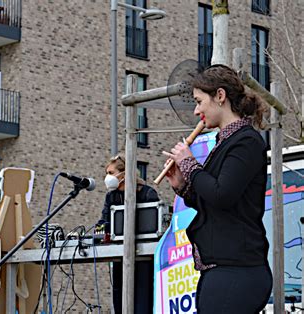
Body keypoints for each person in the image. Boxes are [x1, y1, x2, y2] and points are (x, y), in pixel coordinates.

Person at [162, 64, 272, 313]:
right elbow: (214, 202)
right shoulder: (225, 143)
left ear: (220, 96)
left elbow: (222, 195)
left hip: (239, 270)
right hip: (224, 270)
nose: (196, 110)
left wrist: (189, 164)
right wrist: (183, 187)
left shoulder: (245, 142)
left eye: (199, 101)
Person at [98, 154, 159, 314]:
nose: (108, 177)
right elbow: (104, 222)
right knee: (120, 301)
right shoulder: (111, 196)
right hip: (120, 257)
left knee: (142, 302)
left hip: (144, 259)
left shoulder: (147, 193)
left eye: (111, 173)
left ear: (124, 174)